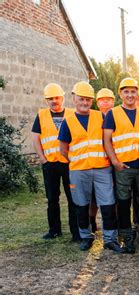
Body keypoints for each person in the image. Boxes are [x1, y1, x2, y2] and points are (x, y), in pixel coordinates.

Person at [58, 81, 123, 253]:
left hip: (102, 168)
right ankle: (86, 237)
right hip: (79, 170)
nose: (85, 103)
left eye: (88, 100)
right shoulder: (68, 121)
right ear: (74, 99)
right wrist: (76, 160)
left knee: (108, 203)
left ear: (92, 101)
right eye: (81, 99)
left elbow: (108, 140)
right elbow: (63, 149)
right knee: (81, 205)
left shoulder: (100, 117)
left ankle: (110, 239)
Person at [103, 77, 139, 253]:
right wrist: (115, 161)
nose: (130, 95)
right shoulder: (112, 114)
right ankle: (126, 236)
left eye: (133, 91)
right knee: (123, 202)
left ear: (137, 93)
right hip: (123, 167)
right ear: (120, 94)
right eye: (126, 92)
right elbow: (106, 140)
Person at [32, 83, 79, 241]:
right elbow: (36, 139)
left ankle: (76, 232)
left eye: (57, 97)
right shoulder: (41, 115)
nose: (54, 101)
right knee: (52, 198)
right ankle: (54, 230)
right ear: (46, 100)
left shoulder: (73, 114)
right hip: (50, 164)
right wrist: (43, 160)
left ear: (63, 98)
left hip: (69, 163)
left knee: (73, 199)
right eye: (50, 98)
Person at [89, 88, 116, 233]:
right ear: (97, 102)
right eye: (102, 99)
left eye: (109, 99)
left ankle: (113, 223)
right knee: (93, 197)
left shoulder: (117, 115)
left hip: (114, 161)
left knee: (114, 196)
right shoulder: (92, 117)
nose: (106, 101)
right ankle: (92, 222)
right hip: (97, 164)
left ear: (113, 101)